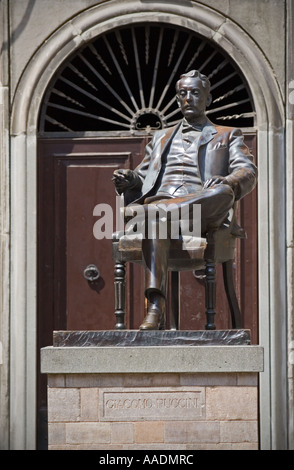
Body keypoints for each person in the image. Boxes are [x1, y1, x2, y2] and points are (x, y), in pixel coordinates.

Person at [112, 70, 257, 330]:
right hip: (162, 207)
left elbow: (247, 172)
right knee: (157, 218)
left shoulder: (227, 134)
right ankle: (156, 307)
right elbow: (145, 178)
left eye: (194, 93)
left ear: (208, 99)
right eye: (182, 93)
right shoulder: (160, 137)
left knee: (222, 193)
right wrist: (130, 180)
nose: (187, 98)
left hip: (203, 214)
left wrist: (228, 181)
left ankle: (160, 211)